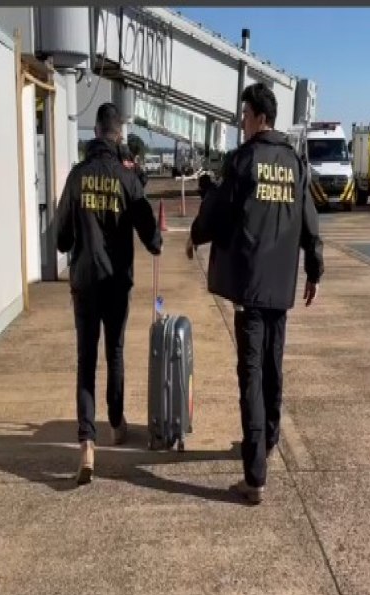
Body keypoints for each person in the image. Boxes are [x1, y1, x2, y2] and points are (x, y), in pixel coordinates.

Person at [187, 83, 324, 504]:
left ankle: (255, 476)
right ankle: (269, 439)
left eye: (244, 115)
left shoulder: (244, 160)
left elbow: (221, 211)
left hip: (249, 287)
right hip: (280, 286)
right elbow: (309, 220)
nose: (242, 122)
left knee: (250, 376)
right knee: (272, 368)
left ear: (258, 117)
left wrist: (195, 231)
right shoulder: (294, 163)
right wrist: (314, 269)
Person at [55, 102, 163, 484]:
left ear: (96, 132)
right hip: (117, 283)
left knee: (86, 359)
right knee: (114, 352)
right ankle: (116, 423)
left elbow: (61, 237)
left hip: (84, 281)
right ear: (118, 134)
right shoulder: (126, 176)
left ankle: (87, 442)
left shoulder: (77, 176)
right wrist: (155, 242)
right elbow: (149, 232)